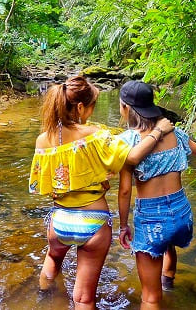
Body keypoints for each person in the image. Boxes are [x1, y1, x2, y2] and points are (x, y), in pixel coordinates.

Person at [29, 76, 174, 309]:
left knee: (53, 260)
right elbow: (133, 156)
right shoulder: (97, 135)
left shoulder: (42, 140)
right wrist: (158, 131)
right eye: (92, 106)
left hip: (59, 221)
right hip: (93, 223)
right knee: (83, 298)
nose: (91, 112)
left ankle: (44, 298)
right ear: (79, 107)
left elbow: (43, 183)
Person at [116, 80, 196, 309]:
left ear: (126, 109)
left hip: (152, 219)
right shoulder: (176, 133)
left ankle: (161, 294)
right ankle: (168, 284)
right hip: (181, 214)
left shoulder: (128, 142)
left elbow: (124, 190)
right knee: (168, 242)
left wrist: (123, 226)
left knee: (150, 298)